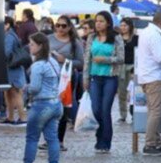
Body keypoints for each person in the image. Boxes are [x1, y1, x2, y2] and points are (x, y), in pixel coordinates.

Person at [15, 33, 63, 163]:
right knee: (52, 138)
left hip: (42, 105)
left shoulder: (37, 65)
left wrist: (25, 88)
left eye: (32, 44)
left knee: (32, 138)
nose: (29, 47)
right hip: (56, 104)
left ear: (40, 46)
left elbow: (35, 88)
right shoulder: (53, 62)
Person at [82, 11, 124, 154]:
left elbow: (121, 58)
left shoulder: (116, 38)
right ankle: (99, 136)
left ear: (108, 23)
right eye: (96, 21)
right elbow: (87, 59)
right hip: (95, 77)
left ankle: (105, 142)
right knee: (96, 109)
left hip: (110, 77)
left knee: (106, 110)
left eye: (101, 21)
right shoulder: (91, 37)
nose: (98, 24)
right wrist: (85, 78)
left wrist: (105, 60)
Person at [136, 10, 161, 156]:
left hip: (146, 76)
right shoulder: (155, 34)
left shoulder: (146, 32)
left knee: (153, 111)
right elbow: (160, 58)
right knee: (156, 112)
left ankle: (157, 143)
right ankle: (150, 144)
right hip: (154, 77)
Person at [45, 16, 84, 151]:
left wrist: (65, 60)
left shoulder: (75, 43)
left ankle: (59, 140)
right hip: (49, 77)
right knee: (48, 108)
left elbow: (81, 63)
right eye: (58, 25)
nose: (60, 28)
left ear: (69, 27)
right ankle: (48, 139)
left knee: (62, 109)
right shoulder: (49, 39)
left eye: (63, 26)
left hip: (66, 79)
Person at [3, 16, 27, 125]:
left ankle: (22, 118)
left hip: (12, 68)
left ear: (7, 25)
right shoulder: (12, 35)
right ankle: (11, 117)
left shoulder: (9, 36)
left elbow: (7, 52)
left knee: (15, 93)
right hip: (12, 68)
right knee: (9, 92)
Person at [116, 18, 138, 123]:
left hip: (132, 66)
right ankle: (123, 115)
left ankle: (134, 113)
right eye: (121, 25)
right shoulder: (117, 39)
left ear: (130, 26)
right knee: (122, 92)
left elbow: (139, 53)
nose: (123, 27)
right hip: (121, 67)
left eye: (125, 25)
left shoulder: (136, 38)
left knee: (133, 92)